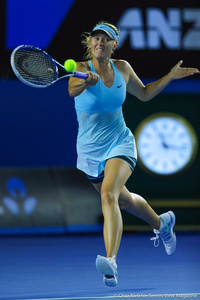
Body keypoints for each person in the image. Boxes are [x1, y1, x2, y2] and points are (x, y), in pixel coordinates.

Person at [68, 21, 199, 287]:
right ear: (90, 43)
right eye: (96, 38)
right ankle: (162, 224)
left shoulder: (123, 68)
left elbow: (145, 93)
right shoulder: (81, 69)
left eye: (106, 39)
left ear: (114, 44)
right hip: (90, 151)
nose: (100, 43)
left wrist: (170, 77)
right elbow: (71, 89)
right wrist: (86, 82)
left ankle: (111, 261)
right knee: (124, 202)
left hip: (120, 142)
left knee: (109, 195)